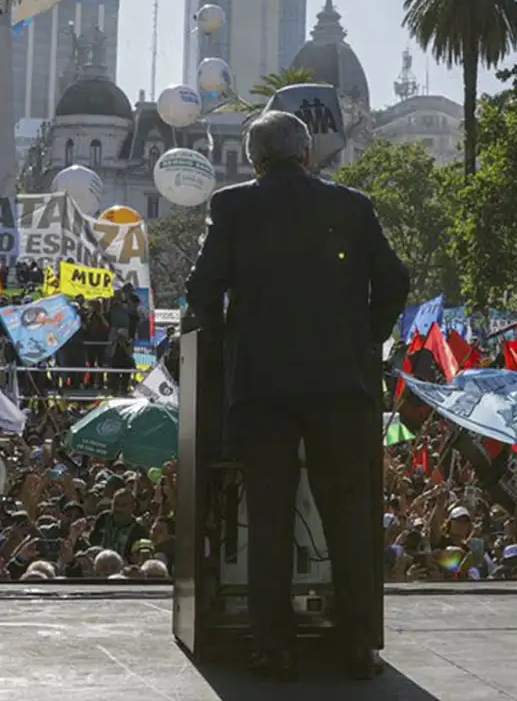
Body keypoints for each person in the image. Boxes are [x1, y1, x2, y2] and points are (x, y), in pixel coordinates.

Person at [185, 110, 410, 681]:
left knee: (268, 516)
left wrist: (223, 347)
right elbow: (394, 280)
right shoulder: (352, 206)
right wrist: (365, 339)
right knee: (349, 515)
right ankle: (358, 645)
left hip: (262, 388)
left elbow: (202, 287)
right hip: (340, 386)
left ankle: (273, 646)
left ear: (255, 160)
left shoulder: (232, 206)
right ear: (306, 154)